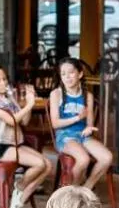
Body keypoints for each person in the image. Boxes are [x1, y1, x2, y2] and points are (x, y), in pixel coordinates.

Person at [0, 64, 51, 208]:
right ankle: (19, 186)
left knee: (48, 165)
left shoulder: (9, 97)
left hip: (15, 143)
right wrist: (30, 104)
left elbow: (24, 121)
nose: (3, 83)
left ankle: (20, 198)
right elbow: (12, 120)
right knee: (40, 164)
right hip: (0, 146)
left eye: (4, 79)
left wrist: (28, 104)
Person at [48, 57, 113, 191]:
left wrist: (89, 128)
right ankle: (73, 191)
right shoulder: (56, 94)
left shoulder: (87, 96)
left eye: (71, 72)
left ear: (80, 74)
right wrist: (77, 118)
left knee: (107, 157)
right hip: (65, 136)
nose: (67, 77)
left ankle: (86, 188)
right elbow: (55, 124)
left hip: (83, 135)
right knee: (83, 159)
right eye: (63, 74)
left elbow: (89, 124)